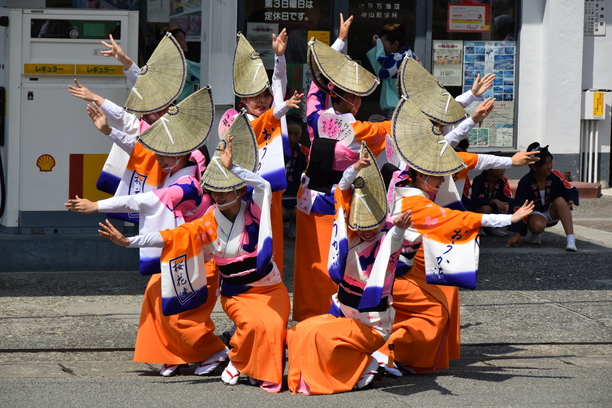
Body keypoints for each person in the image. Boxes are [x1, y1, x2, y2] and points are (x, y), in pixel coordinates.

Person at [99, 129, 290, 393]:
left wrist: (232, 166)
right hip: (238, 294)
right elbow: (173, 235)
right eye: (215, 191)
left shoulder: (255, 210)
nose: (219, 196)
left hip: (271, 289)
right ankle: (239, 360)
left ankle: (243, 362)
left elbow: (264, 186)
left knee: (275, 325)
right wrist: (129, 242)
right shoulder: (209, 221)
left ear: (238, 188)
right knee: (256, 324)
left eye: (225, 191)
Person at [66, 88, 229, 378]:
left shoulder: (188, 184)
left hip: (202, 260)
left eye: (166, 156)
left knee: (183, 316)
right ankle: (174, 356)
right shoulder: (173, 167)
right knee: (155, 297)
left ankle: (215, 352)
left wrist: (97, 205)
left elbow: (145, 200)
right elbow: (137, 144)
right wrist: (107, 130)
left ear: (184, 154)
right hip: (178, 251)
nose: (159, 160)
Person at [374, 97, 534, 374]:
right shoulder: (416, 200)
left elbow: (455, 153)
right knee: (436, 311)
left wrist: (473, 116)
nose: (442, 181)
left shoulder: (406, 179)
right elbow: (457, 217)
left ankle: (409, 354)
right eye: (437, 177)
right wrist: (509, 218)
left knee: (441, 306)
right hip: (401, 270)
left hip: (409, 262)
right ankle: (389, 354)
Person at [287, 145, 412, 394]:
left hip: (370, 323)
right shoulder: (351, 230)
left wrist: (398, 230)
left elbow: (395, 250)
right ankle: (349, 366)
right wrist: (354, 169)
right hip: (342, 310)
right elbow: (342, 193)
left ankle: (359, 365)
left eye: (373, 226)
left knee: (319, 336)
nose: (367, 230)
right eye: (362, 226)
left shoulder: (388, 237)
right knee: (298, 331)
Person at [232, 29, 304, 276]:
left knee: (272, 240)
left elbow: (278, 83)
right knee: (247, 242)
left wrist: (279, 58)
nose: (262, 101)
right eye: (254, 97)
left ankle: (274, 281)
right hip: (244, 191)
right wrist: (281, 107)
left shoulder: (271, 115)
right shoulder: (234, 120)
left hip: (270, 188)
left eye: (265, 96)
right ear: (242, 99)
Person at [506, 143, 579, 252]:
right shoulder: (525, 182)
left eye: (550, 162)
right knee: (537, 227)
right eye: (545, 164)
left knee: (560, 200)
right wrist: (517, 234)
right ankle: (536, 234)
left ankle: (570, 240)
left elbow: (570, 189)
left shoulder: (556, 175)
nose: (550, 166)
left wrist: (570, 200)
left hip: (553, 210)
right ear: (534, 167)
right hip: (536, 214)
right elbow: (519, 206)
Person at [366, 23, 420, 119]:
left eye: (383, 44)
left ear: (395, 44)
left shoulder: (401, 59)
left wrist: (376, 47)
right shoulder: (410, 55)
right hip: (407, 108)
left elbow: (382, 72)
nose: (382, 47)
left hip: (399, 110)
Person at [466, 168, 515, 236]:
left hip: (493, 207)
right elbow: (477, 198)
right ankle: (479, 226)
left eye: (504, 167)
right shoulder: (478, 179)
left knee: (507, 206)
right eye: (499, 167)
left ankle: (492, 227)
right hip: (476, 207)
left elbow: (508, 196)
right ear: (488, 169)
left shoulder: (503, 180)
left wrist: (506, 203)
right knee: (486, 209)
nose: (503, 170)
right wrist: (493, 201)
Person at [283, 113, 309, 238]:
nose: (292, 137)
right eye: (289, 133)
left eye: (296, 134)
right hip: (278, 198)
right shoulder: (275, 149)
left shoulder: (304, 152)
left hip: (297, 198)